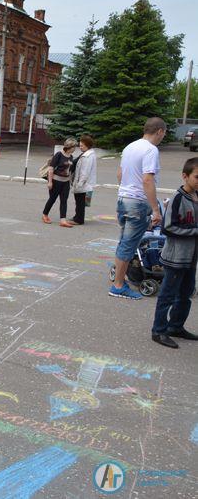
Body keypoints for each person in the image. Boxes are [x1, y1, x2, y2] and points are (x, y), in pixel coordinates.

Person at [110, 117, 166, 300]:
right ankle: (118, 286)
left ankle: (119, 279)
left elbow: (120, 173)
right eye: (163, 133)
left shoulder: (130, 147)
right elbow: (147, 179)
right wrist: (155, 209)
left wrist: (125, 190)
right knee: (129, 244)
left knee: (124, 241)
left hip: (124, 199)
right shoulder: (151, 150)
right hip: (138, 203)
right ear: (159, 131)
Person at [150, 157, 198, 348]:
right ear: (185, 176)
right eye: (197, 177)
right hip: (176, 257)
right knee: (167, 295)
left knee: (186, 294)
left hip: (191, 258)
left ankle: (176, 326)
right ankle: (158, 330)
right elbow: (168, 228)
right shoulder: (178, 198)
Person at [42, 138, 78, 228]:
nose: (75, 149)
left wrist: (70, 181)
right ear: (70, 147)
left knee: (64, 201)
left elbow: (69, 170)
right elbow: (51, 168)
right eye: (74, 147)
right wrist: (50, 182)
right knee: (52, 199)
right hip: (56, 181)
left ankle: (63, 220)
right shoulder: (59, 155)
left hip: (65, 182)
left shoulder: (70, 156)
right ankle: (45, 214)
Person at [71, 134, 97, 225]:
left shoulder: (88, 156)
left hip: (83, 183)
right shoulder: (86, 154)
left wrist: (80, 184)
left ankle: (79, 219)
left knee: (80, 202)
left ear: (87, 145)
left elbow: (85, 172)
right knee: (78, 201)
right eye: (80, 145)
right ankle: (76, 216)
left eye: (82, 145)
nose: (80, 147)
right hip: (82, 183)